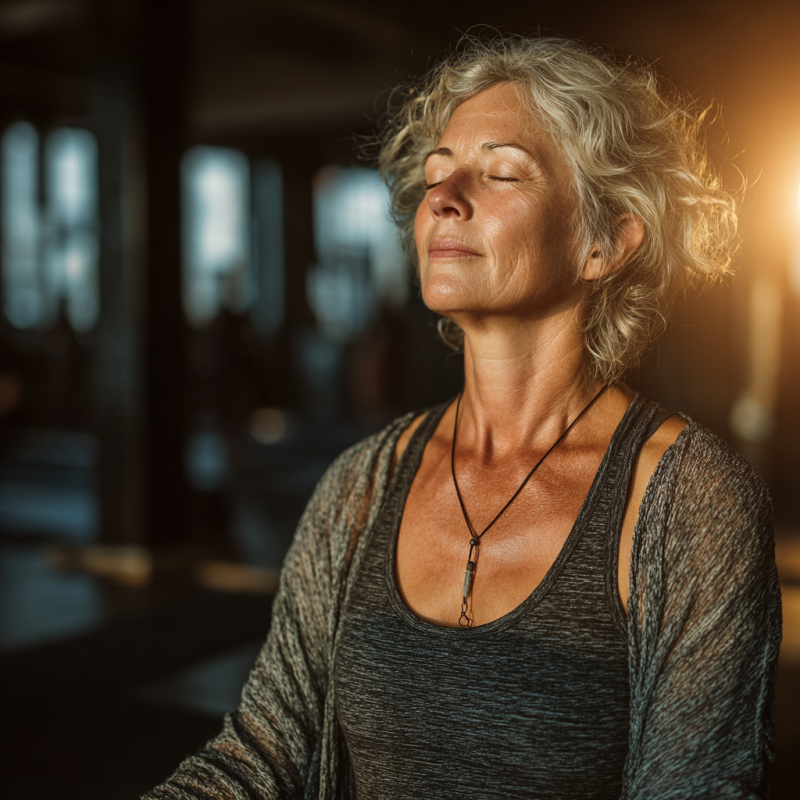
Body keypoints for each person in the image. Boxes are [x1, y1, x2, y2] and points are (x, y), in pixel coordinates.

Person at [144, 36, 781, 800]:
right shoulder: (361, 485)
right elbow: (261, 755)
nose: (442, 196)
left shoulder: (687, 503)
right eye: (436, 173)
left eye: (503, 171)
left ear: (606, 241)